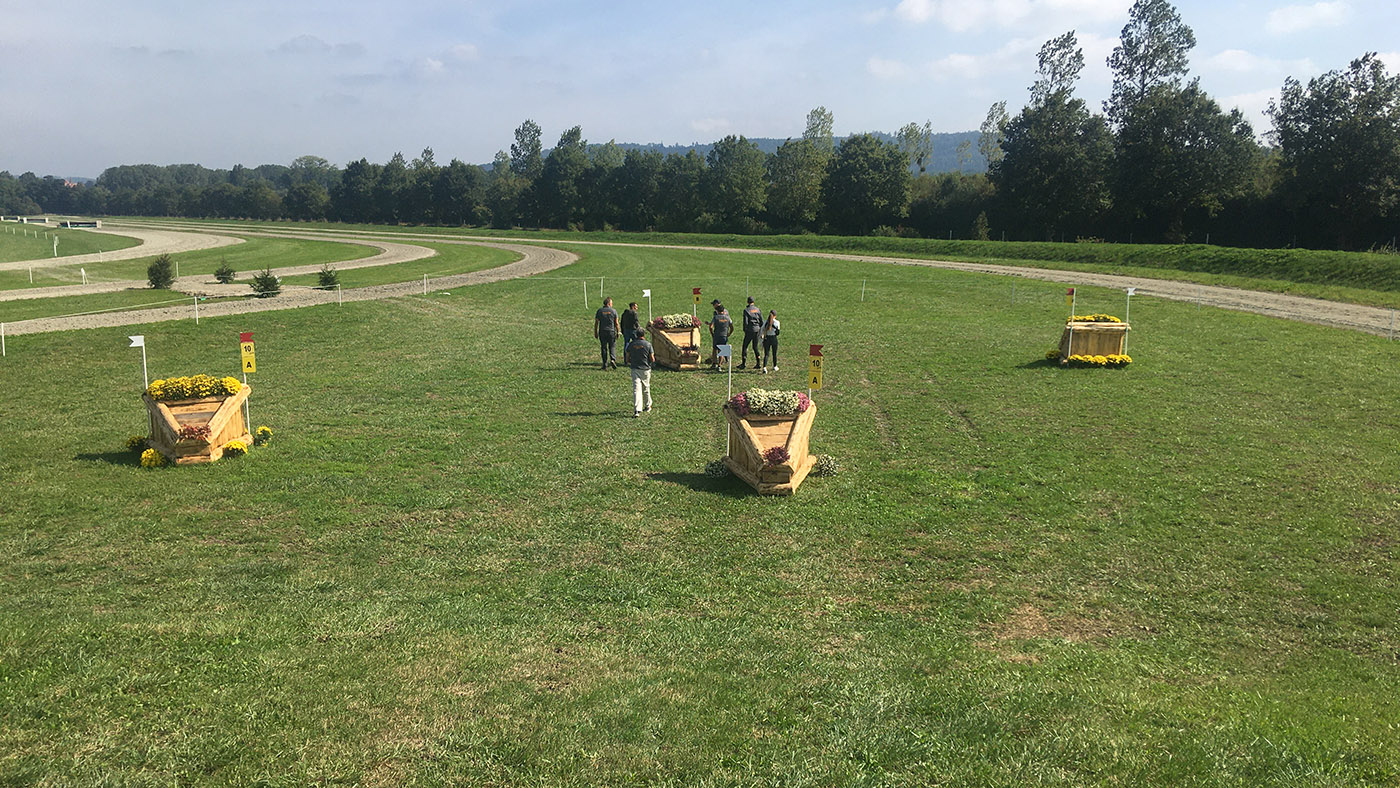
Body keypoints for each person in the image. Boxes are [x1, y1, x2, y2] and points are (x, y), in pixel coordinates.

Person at [625, 329, 655, 417]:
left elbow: (627, 358)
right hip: (645, 369)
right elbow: (652, 359)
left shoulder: (632, 344)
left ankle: (637, 410)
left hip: (635, 369)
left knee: (636, 389)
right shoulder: (648, 344)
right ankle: (648, 405)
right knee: (646, 387)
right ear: (643, 335)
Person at [705, 299, 733, 370]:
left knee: (715, 349)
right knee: (722, 350)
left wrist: (712, 333)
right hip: (724, 335)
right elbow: (732, 327)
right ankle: (720, 365)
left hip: (717, 335)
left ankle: (714, 364)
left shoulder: (716, 316)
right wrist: (729, 333)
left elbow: (711, 326)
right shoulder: (727, 317)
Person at [594, 297, 619, 370]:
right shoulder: (613, 311)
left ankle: (604, 364)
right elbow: (616, 323)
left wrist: (595, 332)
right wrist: (618, 332)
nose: (612, 304)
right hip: (611, 331)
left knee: (604, 348)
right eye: (611, 303)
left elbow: (596, 323)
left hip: (602, 331)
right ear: (608, 303)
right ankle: (612, 359)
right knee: (612, 346)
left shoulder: (600, 311)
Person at [739, 296, 763, 370]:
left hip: (750, 330)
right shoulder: (758, 310)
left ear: (747, 302)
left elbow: (745, 322)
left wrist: (745, 330)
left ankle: (743, 363)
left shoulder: (746, 310)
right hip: (757, 330)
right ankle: (758, 362)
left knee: (745, 346)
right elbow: (761, 320)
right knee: (755, 347)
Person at [761, 309, 780, 374]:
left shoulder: (766, 322)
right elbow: (777, 333)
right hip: (773, 338)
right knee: (774, 353)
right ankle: (775, 366)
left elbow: (762, 330)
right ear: (775, 316)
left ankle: (764, 367)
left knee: (766, 354)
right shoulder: (777, 322)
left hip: (767, 338)